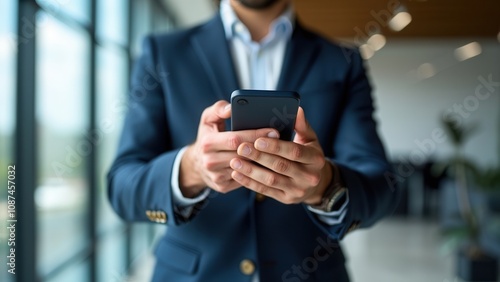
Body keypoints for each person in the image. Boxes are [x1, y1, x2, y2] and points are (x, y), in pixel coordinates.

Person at [107, 0, 400, 281]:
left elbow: (382, 187)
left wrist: (324, 185)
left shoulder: (341, 62)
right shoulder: (164, 53)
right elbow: (122, 185)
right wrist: (192, 168)